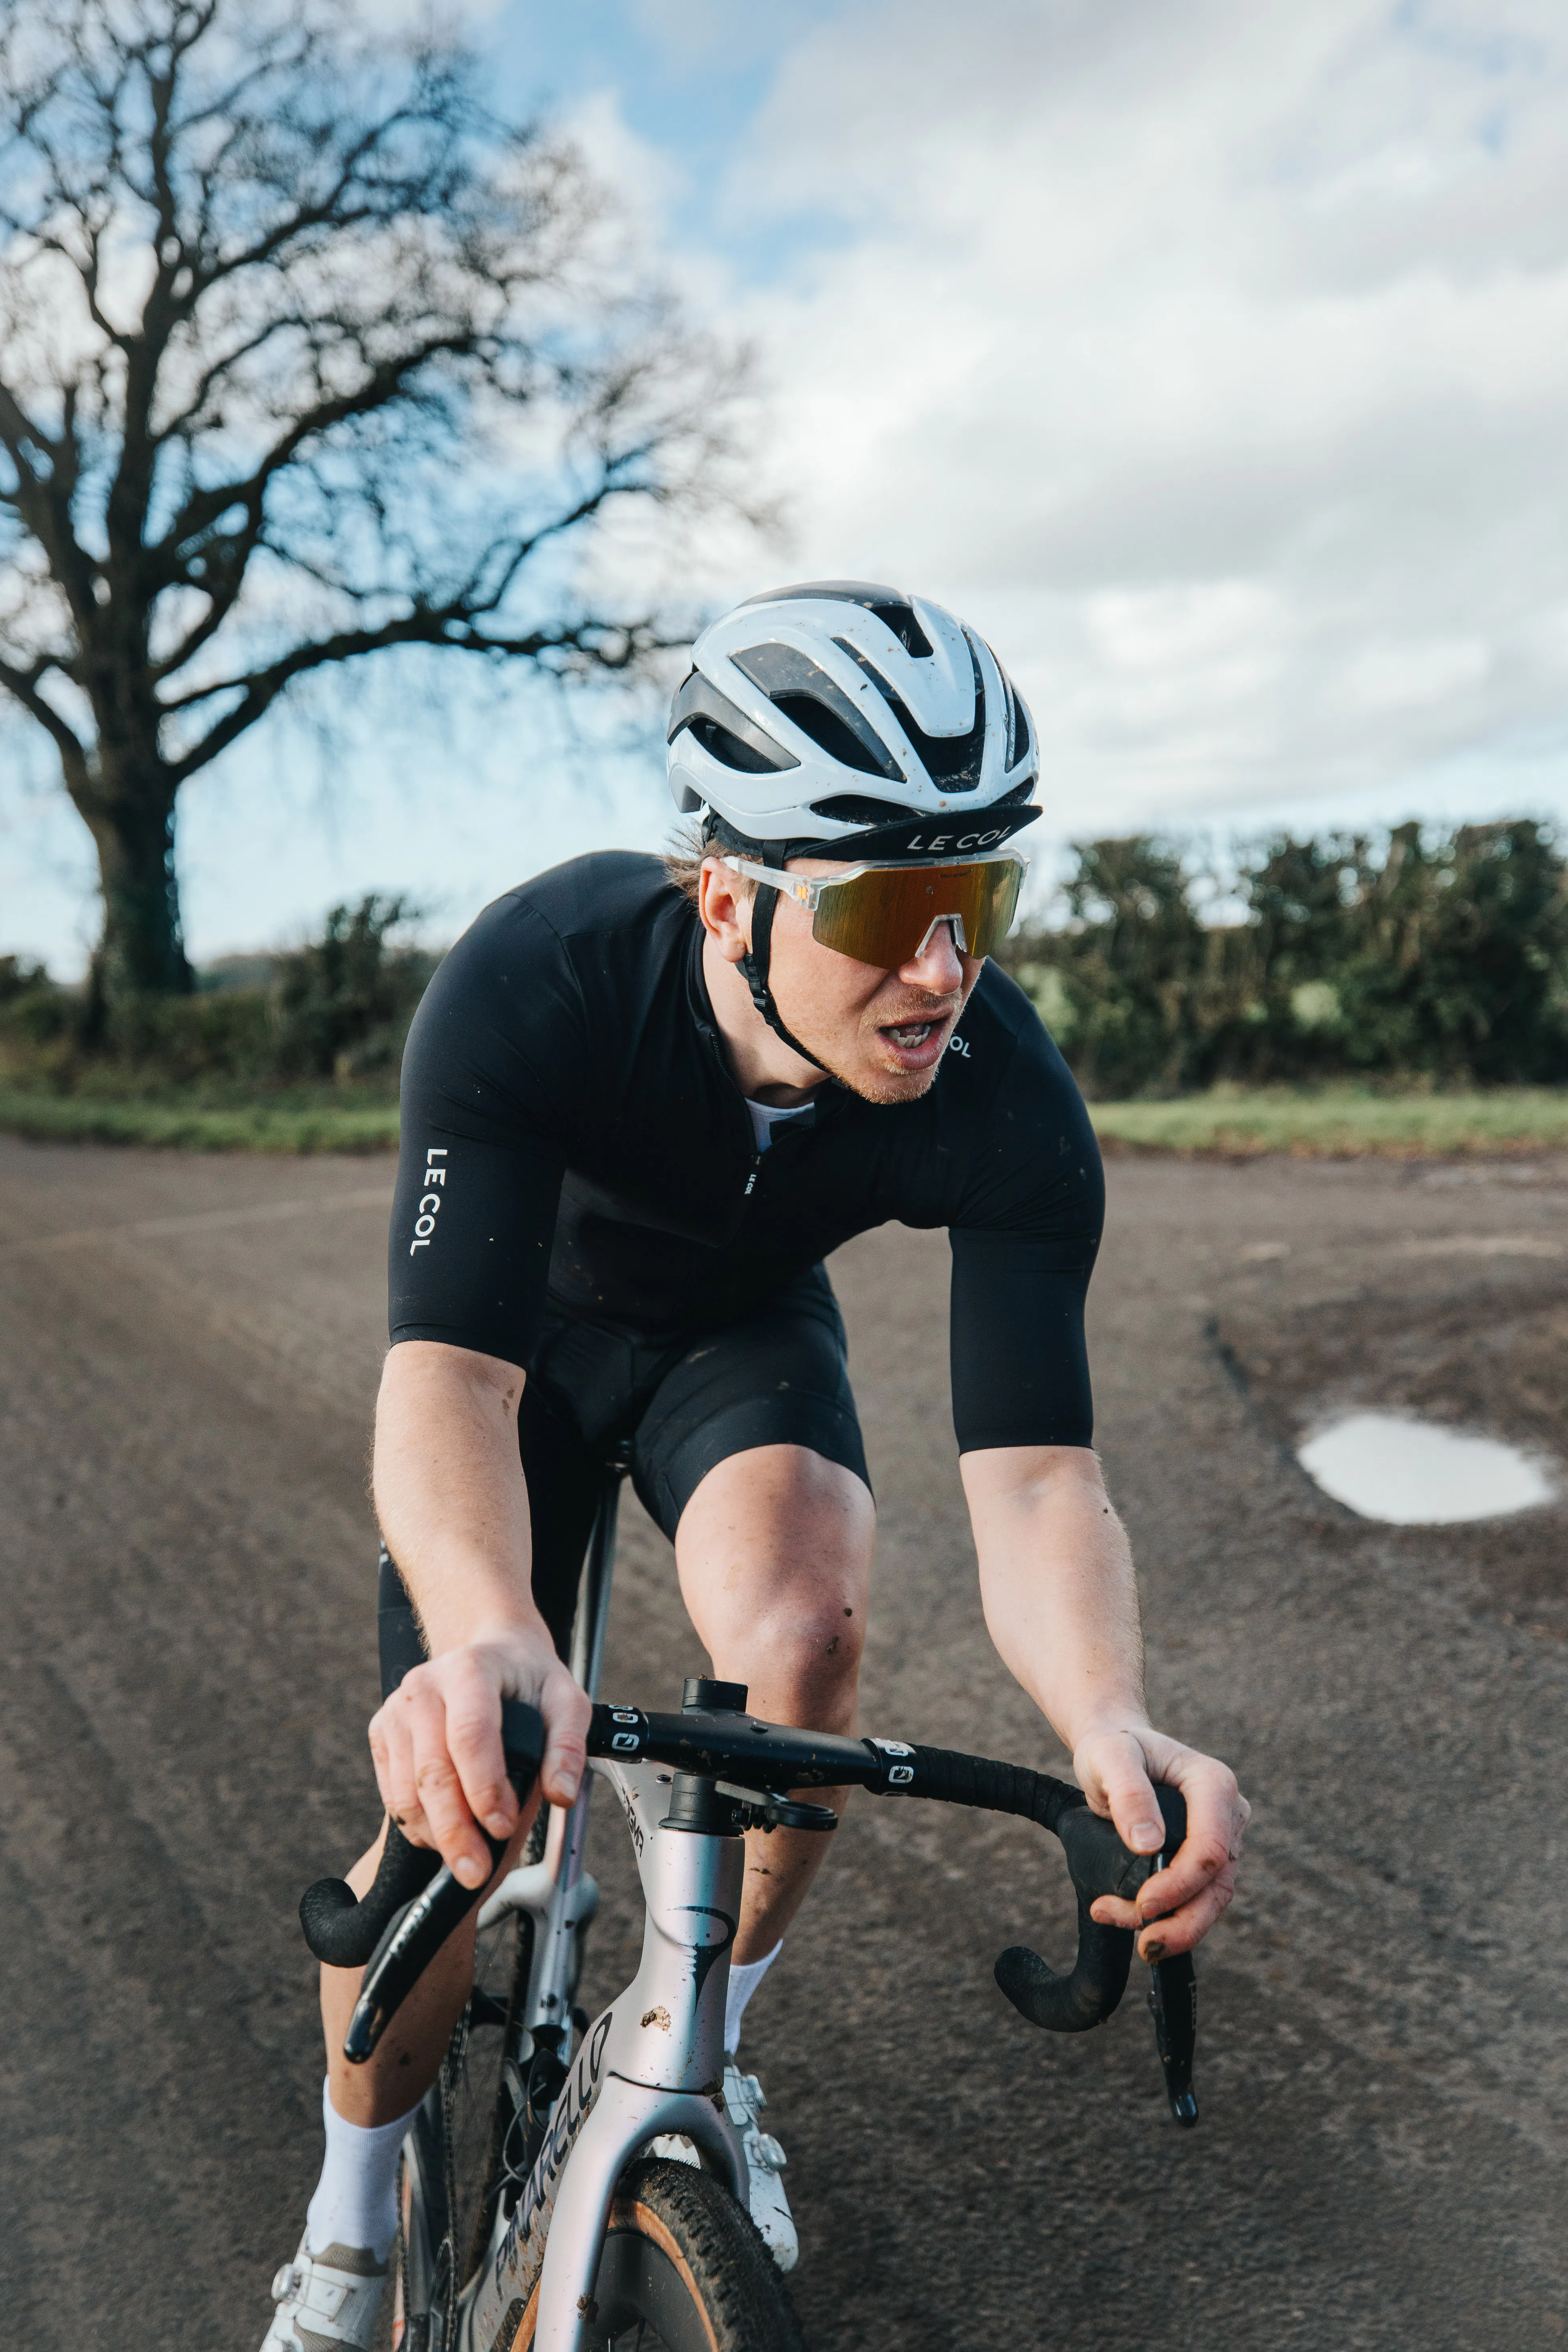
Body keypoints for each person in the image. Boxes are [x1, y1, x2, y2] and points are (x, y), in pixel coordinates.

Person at [262, 580, 1250, 2350]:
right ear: (729, 894)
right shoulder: (540, 976)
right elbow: (443, 1377)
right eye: (886, 904)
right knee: (456, 1820)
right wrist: (488, 1631)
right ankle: (343, 2243)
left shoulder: (1000, 1087)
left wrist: (1108, 1718)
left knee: (804, 1642)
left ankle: (692, 2054)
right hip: (522, 1352)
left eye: (978, 896)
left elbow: (1035, 1482)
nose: (943, 969)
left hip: (731, 1335)